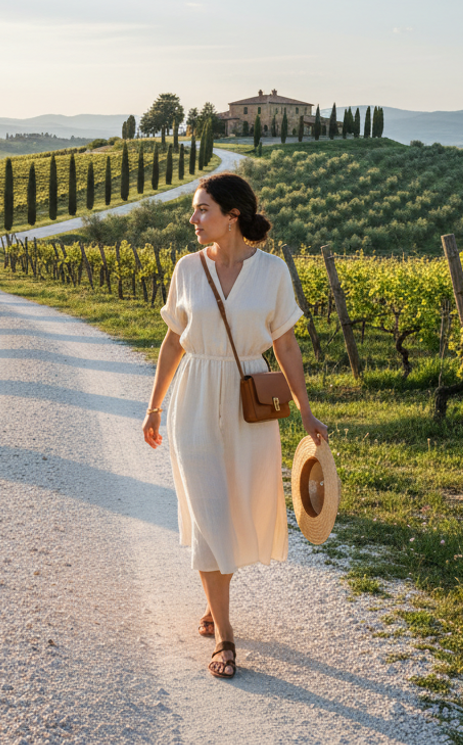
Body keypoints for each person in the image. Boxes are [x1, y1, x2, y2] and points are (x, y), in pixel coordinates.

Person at [142, 172, 328, 679]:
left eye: (203, 210)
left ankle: (212, 599)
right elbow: (173, 341)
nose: (194, 219)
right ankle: (224, 635)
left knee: (238, 505)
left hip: (249, 398)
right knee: (208, 511)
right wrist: (154, 406)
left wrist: (305, 410)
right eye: (194, 210)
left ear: (233, 217)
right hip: (195, 398)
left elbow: (286, 346)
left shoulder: (271, 273)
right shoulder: (186, 268)